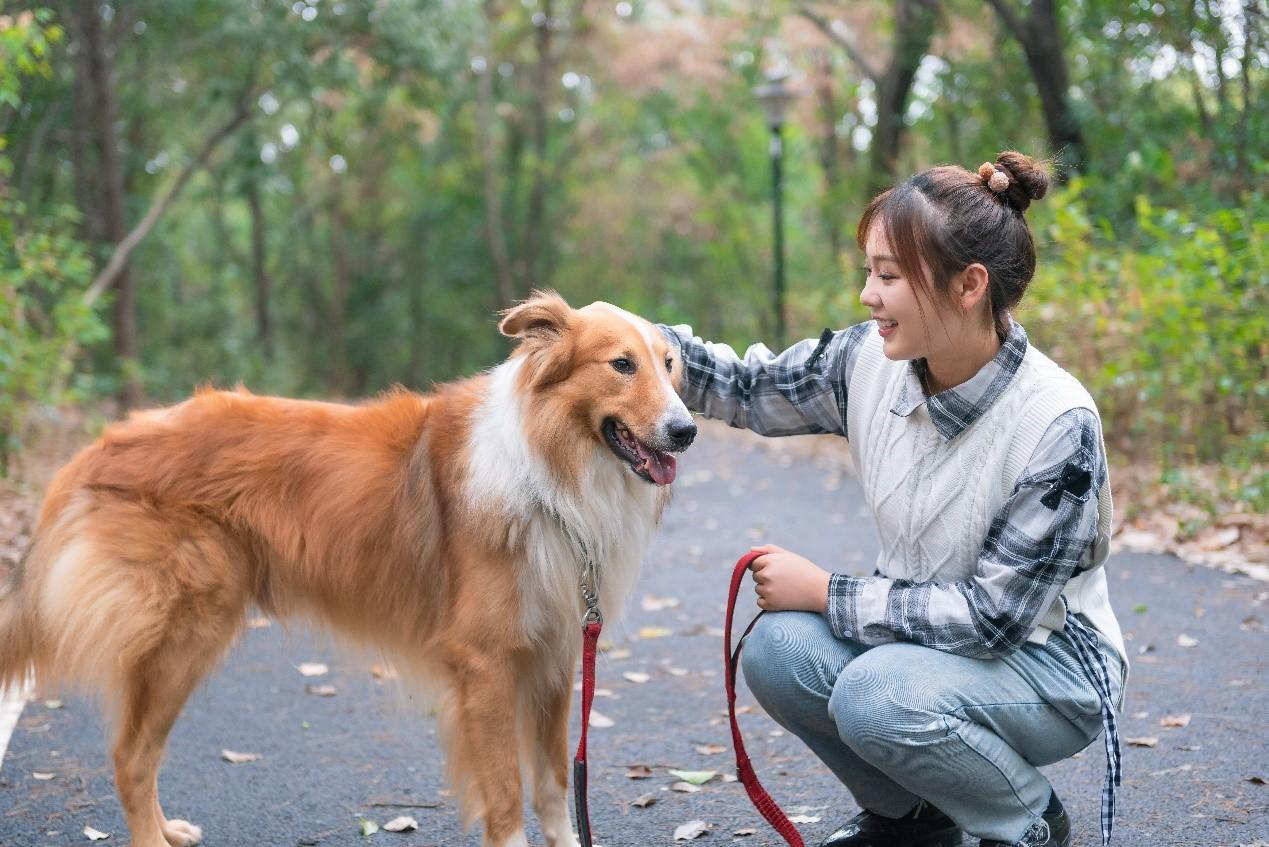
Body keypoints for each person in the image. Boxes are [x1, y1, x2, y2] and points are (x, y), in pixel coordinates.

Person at [656, 152, 1127, 847]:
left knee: (875, 694)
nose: (866, 296)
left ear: (968, 285)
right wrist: (642, 344)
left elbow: (994, 620)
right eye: (868, 272)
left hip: (1050, 661)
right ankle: (913, 818)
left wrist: (826, 592)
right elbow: (751, 389)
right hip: (920, 649)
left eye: (888, 276)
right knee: (777, 651)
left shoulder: (1054, 423)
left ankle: (1025, 819)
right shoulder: (868, 362)